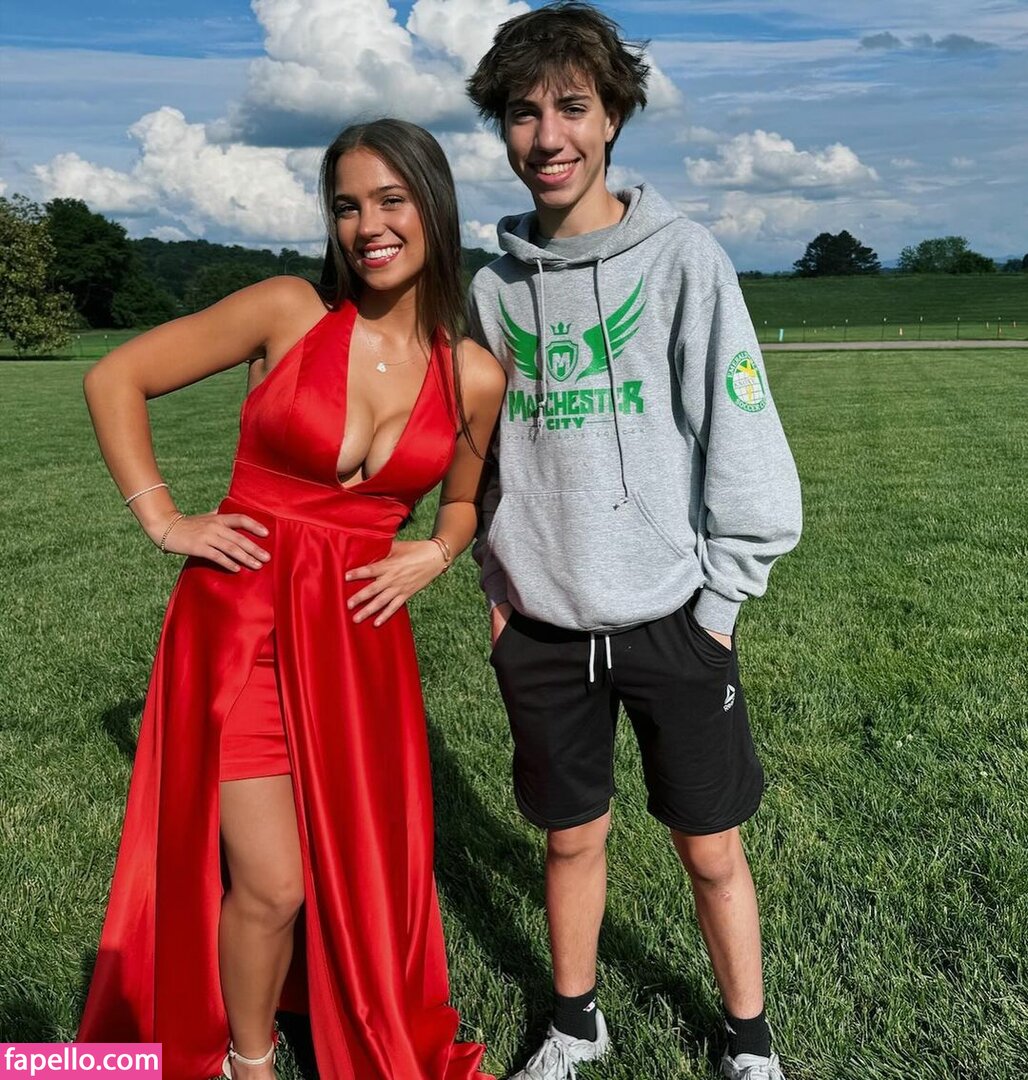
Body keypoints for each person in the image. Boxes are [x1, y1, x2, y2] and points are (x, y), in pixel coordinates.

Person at [77, 118, 504, 1080]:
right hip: (243, 632)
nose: (368, 226)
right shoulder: (287, 312)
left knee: (353, 873)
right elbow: (116, 378)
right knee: (274, 884)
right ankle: (249, 1059)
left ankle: (329, 1018)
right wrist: (165, 520)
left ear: (434, 207)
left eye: (391, 200)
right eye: (347, 206)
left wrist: (437, 550)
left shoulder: (474, 374)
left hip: (358, 648)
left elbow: (464, 498)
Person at [465, 4, 802, 1079]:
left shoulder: (684, 260)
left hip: (673, 620)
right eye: (523, 114)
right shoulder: (491, 289)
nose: (547, 136)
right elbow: (479, 455)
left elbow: (742, 437)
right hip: (543, 627)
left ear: (612, 116)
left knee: (709, 848)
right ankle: (575, 1024)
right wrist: (497, 585)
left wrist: (720, 605)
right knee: (569, 838)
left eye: (572, 107)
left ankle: (747, 1041)